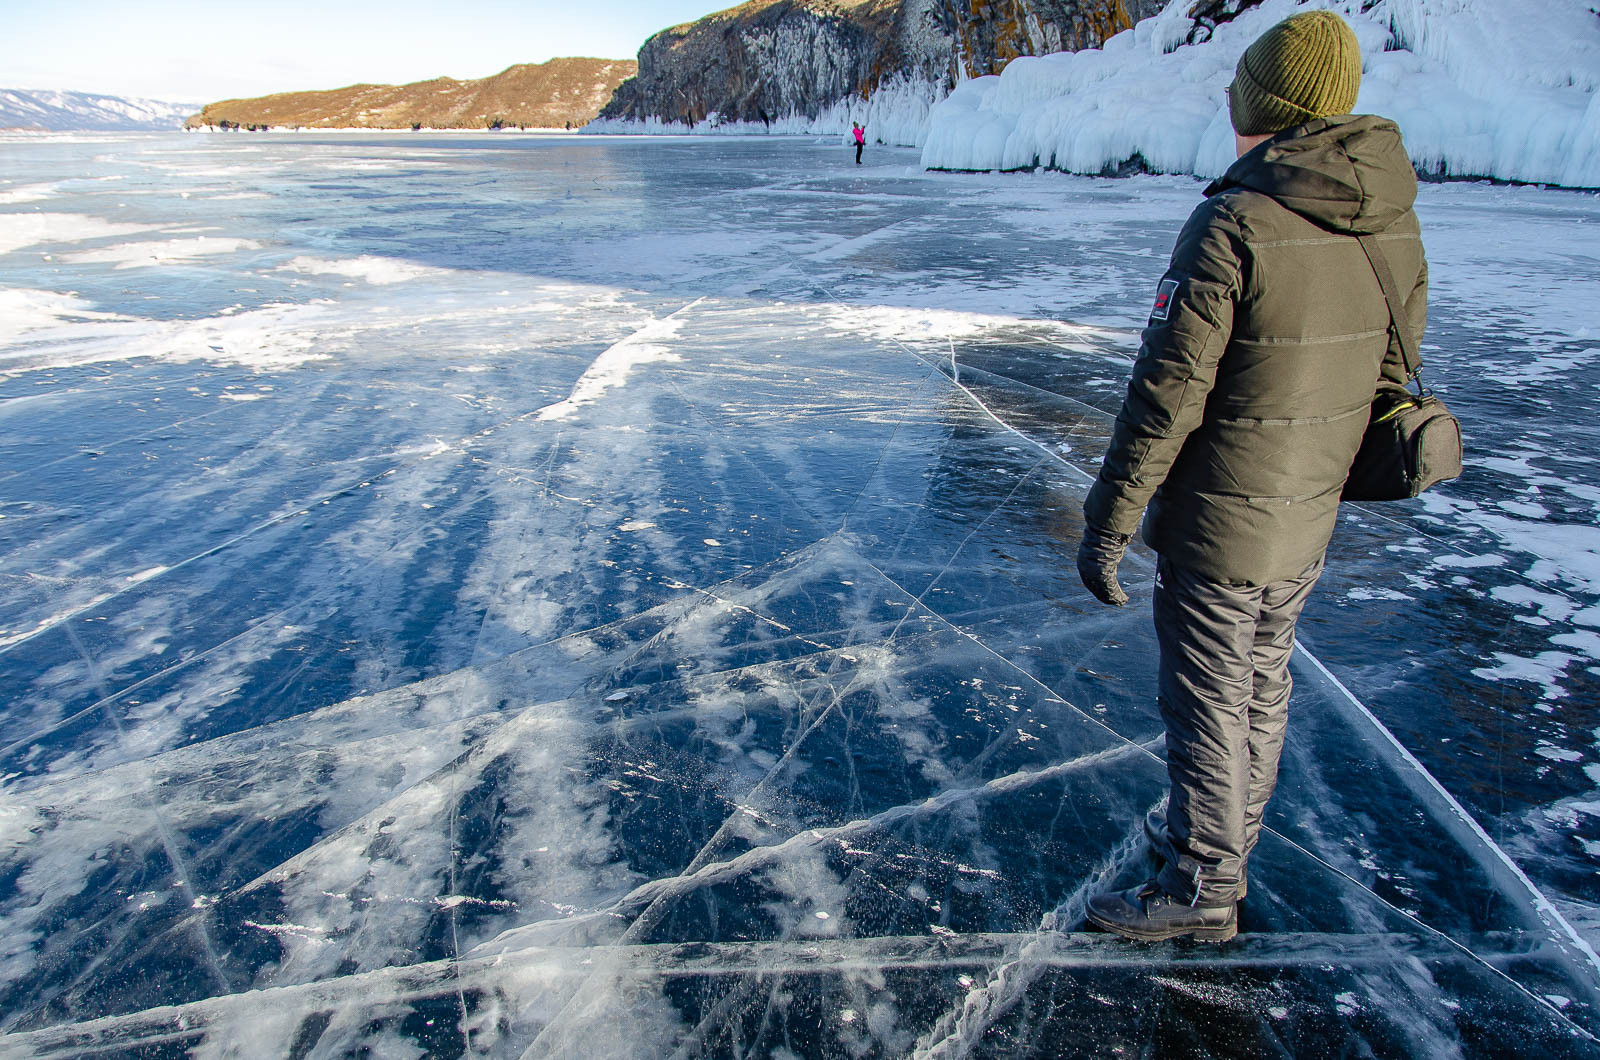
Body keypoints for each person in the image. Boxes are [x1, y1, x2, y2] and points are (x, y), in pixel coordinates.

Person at [1078, 9, 1427, 942]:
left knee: (1204, 698)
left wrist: (1109, 518)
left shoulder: (1231, 223)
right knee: (1259, 687)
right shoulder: (1391, 223)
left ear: (1268, 109)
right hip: (1306, 518)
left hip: (1220, 524)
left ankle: (1202, 888)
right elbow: (1387, 380)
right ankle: (1222, 841)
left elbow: (1165, 396)